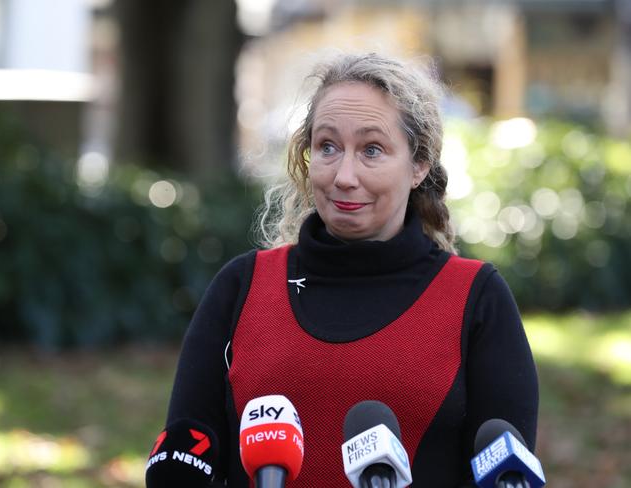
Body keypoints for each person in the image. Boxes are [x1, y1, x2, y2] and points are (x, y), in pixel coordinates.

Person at [159, 52, 538, 487]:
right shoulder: (240, 288)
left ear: (419, 165)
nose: (344, 175)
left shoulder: (477, 298)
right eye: (327, 147)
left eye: (372, 150)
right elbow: (184, 459)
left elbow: (507, 466)